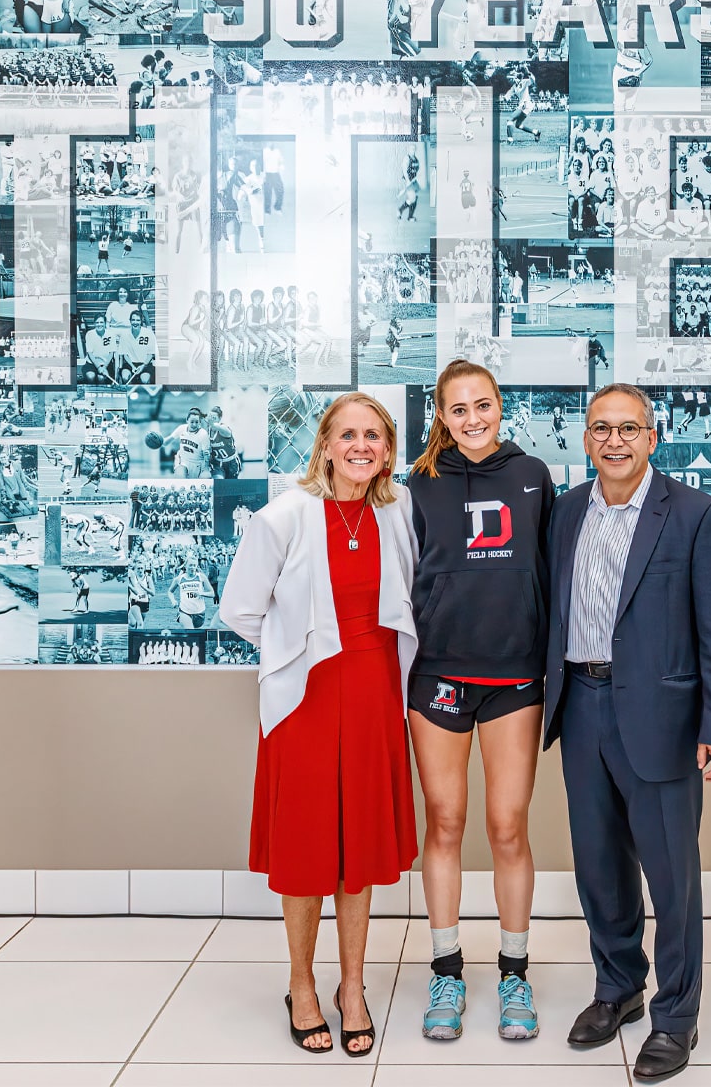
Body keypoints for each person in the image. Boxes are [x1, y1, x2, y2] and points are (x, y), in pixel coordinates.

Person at [541, 383, 711, 1082]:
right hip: (580, 706)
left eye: (630, 428)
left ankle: (676, 1016)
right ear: (586, 437)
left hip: (661, 718)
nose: (615, 441)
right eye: (602, 428)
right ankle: (619, 987)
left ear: (653, 437)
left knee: (671, 877)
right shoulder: (567, 513)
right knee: (598, 866)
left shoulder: (693, 515)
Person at [219, 393, 419, 1057]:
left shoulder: (397, 512)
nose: (362, 446)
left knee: (357, 850)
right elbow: (242, 610)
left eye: (375, 436)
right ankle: (302, 985)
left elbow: (408, 597)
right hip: (307, 700)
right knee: (308, 853)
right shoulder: (284, 517)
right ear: (325, 445)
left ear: (388, 450)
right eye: (348, 435)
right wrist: (292, 649)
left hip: (373, 693)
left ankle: (352, 986)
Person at [406, 361, 557, 1041]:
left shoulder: (533, 479)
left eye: (484, 405)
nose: (472, 419)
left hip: (513, 676)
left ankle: (515, 972)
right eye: (458, 409)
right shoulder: (416, 487)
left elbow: (552, 574)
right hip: (437, 674)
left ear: (501, 406)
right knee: (443, 821)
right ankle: (445, 968)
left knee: (506, 826)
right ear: (441, 415)